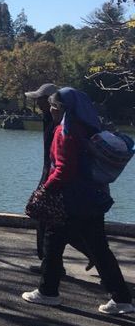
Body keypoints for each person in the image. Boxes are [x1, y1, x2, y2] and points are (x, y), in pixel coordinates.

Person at [22, 87, 133, 314]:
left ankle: (48, 293)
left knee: (53, 244)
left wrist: (45, 189)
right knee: (98, 249)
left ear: (65, 109)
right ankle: (121, 298)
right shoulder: (90, 128)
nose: (51, 110)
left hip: (69, 200)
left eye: (54, 106)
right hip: (92, 198)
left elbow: (64, 169)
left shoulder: (65, 132)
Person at [25, 82, 93, 274]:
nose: (37, 103)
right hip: (50, 175)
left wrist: (47, 185)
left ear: (50, 101)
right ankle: (55, 264)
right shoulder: (50, 119)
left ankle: (54, 266)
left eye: (40, 99)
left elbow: (61, 160)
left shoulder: (61, 124)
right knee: (55, 224)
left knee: (50, 223)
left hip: (55, 178)